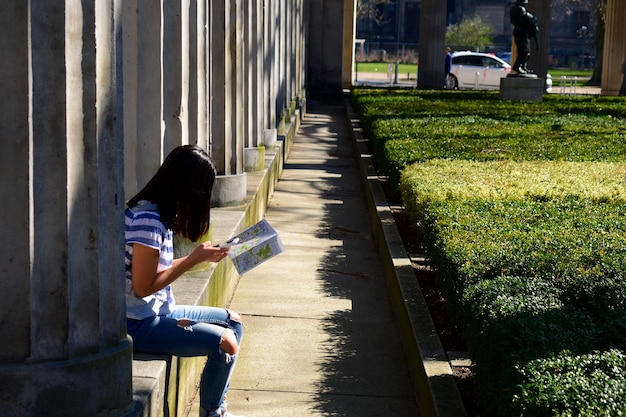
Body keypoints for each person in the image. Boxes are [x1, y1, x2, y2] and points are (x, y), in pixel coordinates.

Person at [124, 145, 245, 417]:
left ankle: (217, 408)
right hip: (138, 322)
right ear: (188, 187)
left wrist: (199, 257)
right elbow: (143, 288)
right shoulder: (149, 221)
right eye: (203, 190)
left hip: (155, 312)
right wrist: (192, 260)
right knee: (225, 341)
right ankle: (212, 413)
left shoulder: (155, 214)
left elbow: (151, 274)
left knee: (233, 322)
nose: (206, 197)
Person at [510, 0, 539, 74]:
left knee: (525, 51)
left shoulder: (513, 9)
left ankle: (523, 66)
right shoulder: (521, 9)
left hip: (518, 32)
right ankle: (517, 66)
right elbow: (524, 20)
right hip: (522, 32)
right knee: (523, 51)